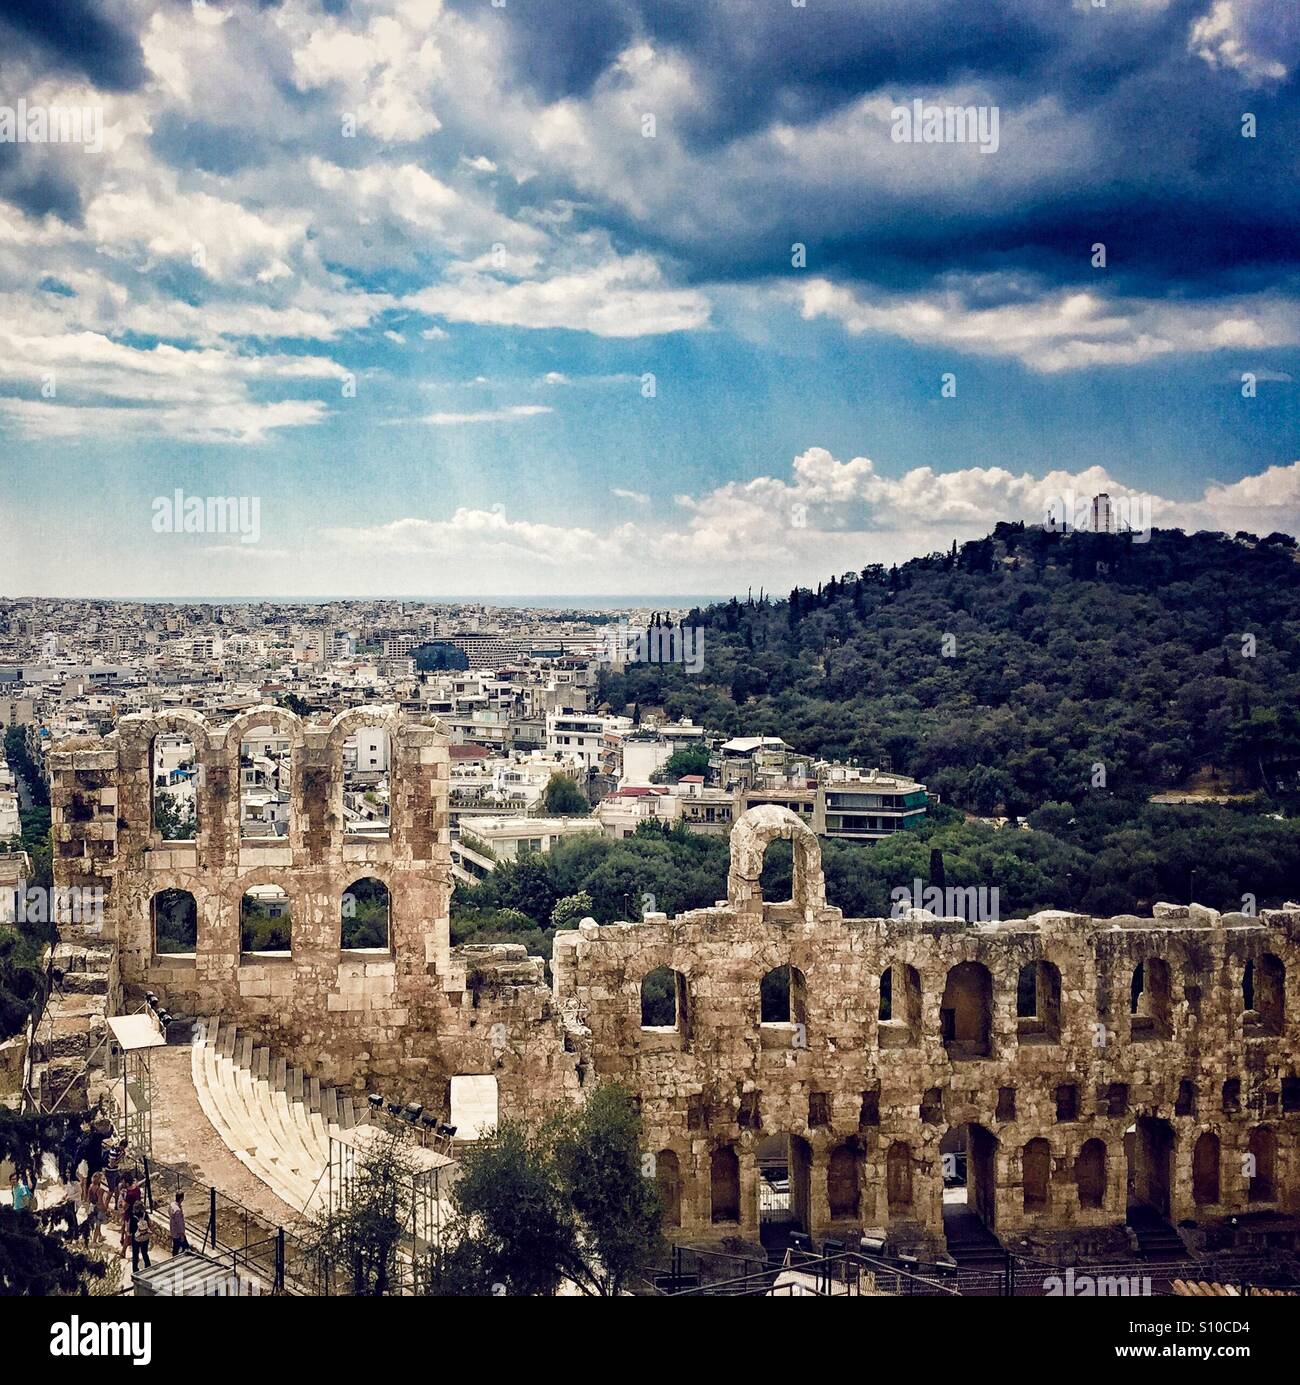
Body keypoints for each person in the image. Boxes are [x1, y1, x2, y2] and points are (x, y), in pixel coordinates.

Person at [118, 1173, 143, 1258]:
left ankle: (123, 1251)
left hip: (130, 1216)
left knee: (128, 1234)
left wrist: (122, 1200)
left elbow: (126, 1206)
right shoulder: (137, 1189)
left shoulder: (129, 1193)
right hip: (137, 1214)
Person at [88, 1171, 110, 1246]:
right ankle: (94, 1241)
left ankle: (100, 1236)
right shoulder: (99, 1189)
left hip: (92, 1206)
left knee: (96, 1223)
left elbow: (89, 1198)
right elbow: (100, 1201)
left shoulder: (90, 1186)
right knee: (98, 1225)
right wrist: (105, 1208)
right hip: (98, 1208)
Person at [128, 1203, 152, 1274]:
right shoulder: (146, 1215)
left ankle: (135, 1271)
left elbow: (130, 1230)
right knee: (145, 1253)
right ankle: (148, 1268)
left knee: (135, 1255)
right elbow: (149, 1224)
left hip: (136, 1238)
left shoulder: (133, 1217)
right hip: (145, 1237)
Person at [169, 1191, 190, 1255]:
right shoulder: (177, 1210)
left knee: (176, 1246)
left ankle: (174, 1258)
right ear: (181, 1199)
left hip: (173, 1230)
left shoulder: (172, 1205)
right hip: (178, 1233)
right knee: (185, 1247)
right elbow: (179, 1223)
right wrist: (182, 1234)